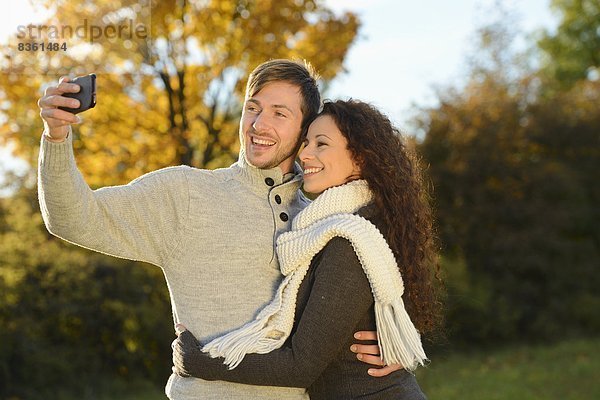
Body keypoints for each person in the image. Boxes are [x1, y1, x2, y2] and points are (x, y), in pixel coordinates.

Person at [36, 60, 398, 400]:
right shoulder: (187, 193)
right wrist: (56, 137)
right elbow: (74, 218)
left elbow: (362, 306)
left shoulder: (323, 222)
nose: (258, 124)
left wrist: (396, 347)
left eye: (279, 114)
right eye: (253, 108)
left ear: (304, 131)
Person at [172, 99, 441, 399]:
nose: (306, 153)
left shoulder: (350, 240)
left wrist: (198, 361)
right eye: (306, 142)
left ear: (361, 158)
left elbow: (300, 366)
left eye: (321, 144)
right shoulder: (354, 223)